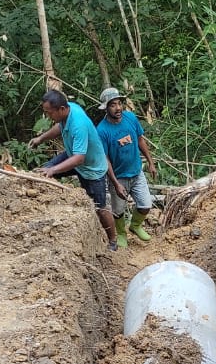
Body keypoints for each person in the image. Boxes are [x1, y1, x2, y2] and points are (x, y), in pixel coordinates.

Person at [29, 89, 122, 250]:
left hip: (91, 169)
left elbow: (80, 158)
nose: (48, 116)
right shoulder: (68, 110)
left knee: (100, 208)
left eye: (49, 113)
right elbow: (60, 127)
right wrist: (40, 138)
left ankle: (113, 241)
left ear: (61, 109)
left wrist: (54, 170)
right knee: (43, 172)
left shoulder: (78, 124)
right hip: (72, 155)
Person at [95, 87, 157, 246]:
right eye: (113, 105)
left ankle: (135, 226)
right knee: (118, 211)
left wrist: (150, 162)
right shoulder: (102, 131)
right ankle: (121, 233)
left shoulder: (130, 118)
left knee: (145, 205)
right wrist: (115, 184)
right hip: (119, 177)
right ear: (106, 108)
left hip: (137, 172)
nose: (118, 108)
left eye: (119, 103)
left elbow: (140, 140)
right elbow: (105, 158)